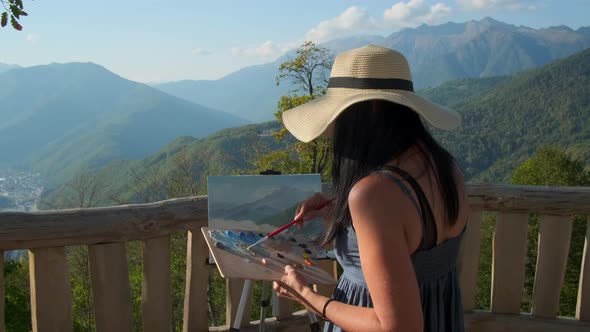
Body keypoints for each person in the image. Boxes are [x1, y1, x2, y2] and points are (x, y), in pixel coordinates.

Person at [272, 45, 469, 332]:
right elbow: (414, 237)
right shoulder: (445, 167)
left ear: (366, 112)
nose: (337, 129)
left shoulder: (375, 194)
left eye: (340, 115)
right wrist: (339, 212)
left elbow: (398, 326)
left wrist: (307, 296)